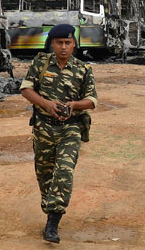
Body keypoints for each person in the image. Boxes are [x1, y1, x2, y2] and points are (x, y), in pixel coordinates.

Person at [20, 23, 97, 243]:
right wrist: (46, 104)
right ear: (52, 44)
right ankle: (50, 207)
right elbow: (26, 89)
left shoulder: (83, 69)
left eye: (68, 43)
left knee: (64, 171)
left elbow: (92, 100)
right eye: (59, 43)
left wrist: (74, 105)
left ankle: (53, 223)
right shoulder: (40, 63)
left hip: (70, 128)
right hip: (43, 128)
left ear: (74, 44)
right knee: (44, 175)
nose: (63, 47)